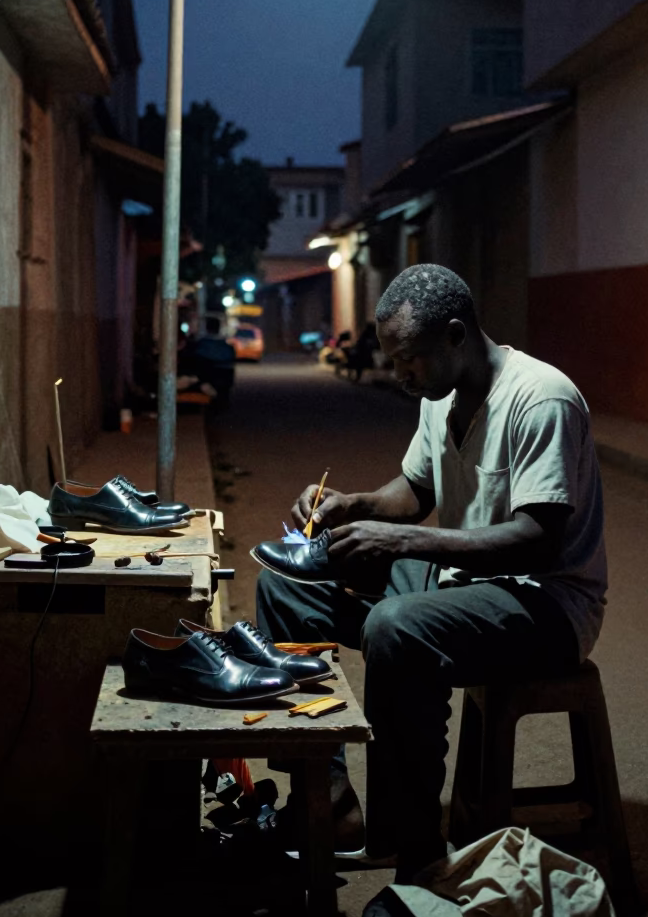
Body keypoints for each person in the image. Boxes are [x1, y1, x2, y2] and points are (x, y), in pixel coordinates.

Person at [256, 264, 607, 882]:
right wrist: (356, 506)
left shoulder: (540, 398)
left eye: (408, 360)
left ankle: (415, 849)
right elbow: (416, 490)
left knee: (397, 628)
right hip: (460, 586)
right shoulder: (440, 396)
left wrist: (402, 541)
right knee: (287, 584)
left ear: (455, 336)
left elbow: (537, 542)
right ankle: (328, 803)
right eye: (393, 360)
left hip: (547, 604)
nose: (399, 374)